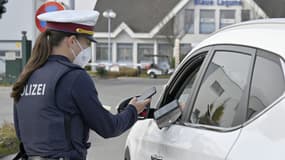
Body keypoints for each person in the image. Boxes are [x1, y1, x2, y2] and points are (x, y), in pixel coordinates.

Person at [11, 10, 150, 160]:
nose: (87, 50)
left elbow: (21, 131)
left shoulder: (28, 75)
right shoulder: (73, 77)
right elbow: (108, 127)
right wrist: (133, 110)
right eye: (86, 43)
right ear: (71, 41)